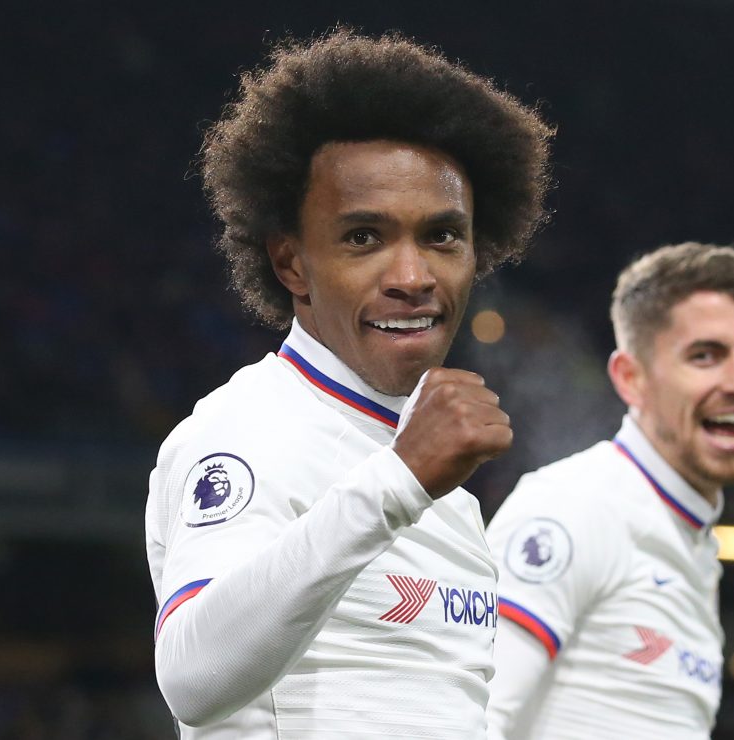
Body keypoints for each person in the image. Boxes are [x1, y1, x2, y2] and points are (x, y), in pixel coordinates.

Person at [144, 30, 552, 738]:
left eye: (442, 237)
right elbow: (191, 676)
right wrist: (396, 484)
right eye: (364, 238)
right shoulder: (248, 431)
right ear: (292, 263)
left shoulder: (443, 492)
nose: (412, 277)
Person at [485, 242, 734, 739]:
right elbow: (468, 721)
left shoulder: (691, 541)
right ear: (631, 378)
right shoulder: (575, 509)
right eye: (705, 355)